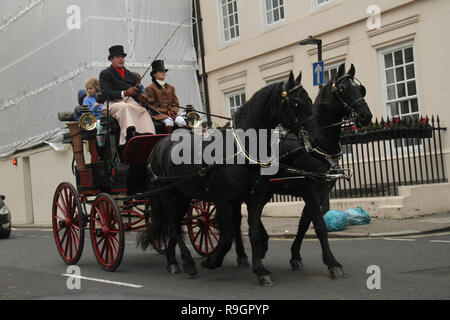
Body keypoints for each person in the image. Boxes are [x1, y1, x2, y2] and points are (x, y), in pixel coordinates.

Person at [99, 45, 155, 145]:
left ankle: (148, 135)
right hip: (112, 103)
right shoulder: (105, 74)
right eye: (117, 57)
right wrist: (124, 93)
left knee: (142, 110)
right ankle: (128, 134)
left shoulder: (131, 75)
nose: (121, 59)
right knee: (125, 107)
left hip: (130, 102)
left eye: (122, 57)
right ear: (111, 59)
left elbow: (136, 93)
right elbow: (106, 92)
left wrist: (141, 97)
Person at [145, 60, 187, 134]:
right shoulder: (150, 88)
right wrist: (166, 112)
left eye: (164, 71)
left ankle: (184, 139)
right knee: (169, 122)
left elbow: (176, 104)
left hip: (172, 114)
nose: (163, 73)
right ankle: (168, 140)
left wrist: (173, 111)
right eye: (160, 71)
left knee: (181, 121)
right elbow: (151, 105)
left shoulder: (171, 88)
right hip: (158, 115)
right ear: (154, 74)